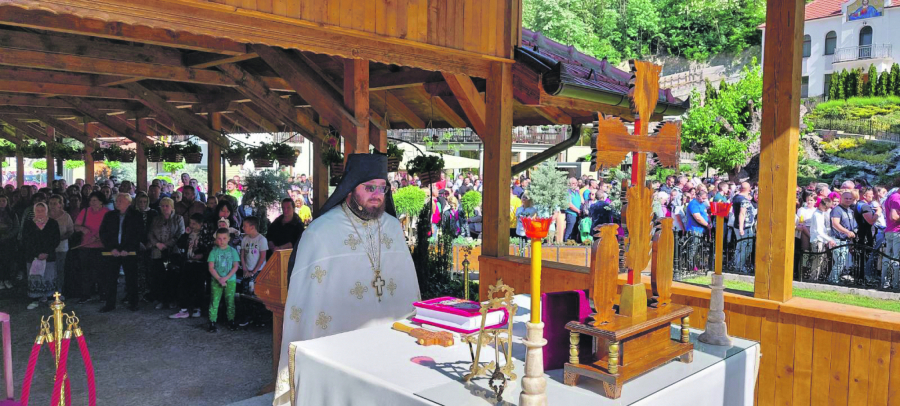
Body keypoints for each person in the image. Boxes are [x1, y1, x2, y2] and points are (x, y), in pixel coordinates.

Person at [274, 154, 420, 406]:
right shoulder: (321, 232)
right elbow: (306, 301)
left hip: (389, 345)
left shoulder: (393, 228)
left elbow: (409, 288)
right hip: (340, 344)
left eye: (382, 188)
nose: (377, 194)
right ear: (351, 188)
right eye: (369, 187)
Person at [98, 193, 145, 312]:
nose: (117, 203)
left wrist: (128, 249)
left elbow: (138, 234)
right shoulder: (109, 215)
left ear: (128, 202)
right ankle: (110, 304)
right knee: (111, 278)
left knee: (131, 278)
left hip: (128, 252)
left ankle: (133, 303)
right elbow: (103, 233)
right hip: (112, 251)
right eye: (116, 201)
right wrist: (111, 248)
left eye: (120, 201)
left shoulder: (136, 215)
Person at [148, 197, 184, 310]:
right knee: (159, 277)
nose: (164, 208)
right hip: (158, 252)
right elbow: (150, 234)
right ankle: (161, 299)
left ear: (172, 207)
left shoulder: (179, 218)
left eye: (167, 205)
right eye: (162, 206)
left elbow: (180, 234)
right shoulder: (156, 219)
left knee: (172, 277)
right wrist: (157, 244)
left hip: (173, 252)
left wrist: (167, 244)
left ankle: (172, 300)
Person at [169, 214, 208, 320]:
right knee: (184, 285)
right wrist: (186, 234)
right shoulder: (188, 234)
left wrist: (202, 255)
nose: (191, 225)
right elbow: (180, 244)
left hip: (199, 265)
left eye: (194, 223)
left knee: (198, 286)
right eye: (190, 223)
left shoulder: (205, 235)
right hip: (188, 263)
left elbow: (208, 248)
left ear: (200, 225)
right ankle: (183, 309)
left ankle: (197, 307)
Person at [74, 192, 110, 304]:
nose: (92, 203)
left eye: (94, 200)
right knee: (86, 272)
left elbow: (111, 229)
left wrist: (101, 236)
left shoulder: (107, 213)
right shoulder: (85, 211)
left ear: (101, 201)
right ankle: (86, 294)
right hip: (86, 246)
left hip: (101, 247)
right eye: (91, 200)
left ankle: (103, 293)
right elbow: (76, 226)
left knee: (102, 271)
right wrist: (83, 229)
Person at [24, 202, 61, 309]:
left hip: (49, 256)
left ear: (46, 211)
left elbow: (56, 239)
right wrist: (36, 254)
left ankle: (49, 298)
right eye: (38, 210)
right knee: (34, 277)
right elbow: (26, 240)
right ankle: (35, 299)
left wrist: (46, 253)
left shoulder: (53, 223)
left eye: (42, 210)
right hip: (32, 256)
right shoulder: (28, 223)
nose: (40, 213)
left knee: (48, 277)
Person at [207, 228, 240, 332]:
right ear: (216, 239)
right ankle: (212, 322)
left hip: (230, 281)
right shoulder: (213, 252)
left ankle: (231, 320)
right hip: (216, 280)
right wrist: (219, 278)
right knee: (214, 301)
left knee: (230, 301)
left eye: (224, 238)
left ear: (229, 239)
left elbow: (235, 266)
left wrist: (225, 278)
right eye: (219, 239)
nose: (221, 241)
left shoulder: (233, 251)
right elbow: (211, 267)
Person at [829, 191, 858, 284]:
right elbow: (835, 224)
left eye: (850, 198)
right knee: (840, 261)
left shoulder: (850, 210)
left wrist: (851, 238)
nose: (848, 200)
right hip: (837, 239)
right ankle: (833, 280)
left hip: (846, 240)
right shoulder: (837, 210)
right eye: (846, 198)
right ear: (841, 198)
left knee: (842, 262)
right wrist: (847, 232)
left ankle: (833, 279)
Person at [48, 195, 73, 297]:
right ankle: (48, 291)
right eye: (50, 203)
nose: (52, 205)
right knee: (48, 270)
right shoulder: (45, 215)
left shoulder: (66, 216)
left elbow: (70, 231)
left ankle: (58, 292)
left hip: (61, 247)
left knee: (59, 270)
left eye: (55, 203)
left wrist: (59, 239)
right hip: (47, 247)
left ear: (60, 204)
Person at [241, 216, 268, 293]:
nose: (243, 228)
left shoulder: (262, 239)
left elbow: (262, 257)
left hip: (258, 270)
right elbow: (242, 255)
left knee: (256, 292)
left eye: (245, 226)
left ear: (252, 227)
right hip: (247, 270)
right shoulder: (245, 239)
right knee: (245, 290)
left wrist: (254, 272)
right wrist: (244, 269)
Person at [0, 194, 18, 289]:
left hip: (9, 241)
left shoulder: (12, 213)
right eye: (0, 201)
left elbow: (16, 227)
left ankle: (7, 279)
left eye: (4, 201)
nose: (2, 203)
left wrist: (7, 236)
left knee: (7, 260)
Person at [564, 177, 583, 242]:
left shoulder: (577, 192)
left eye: (576, 183)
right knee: (570, 231)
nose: (575, 184)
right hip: (571, 214)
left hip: (577, 214)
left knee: (575, 231)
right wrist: (578, 211)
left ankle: (573, 245)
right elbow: (569, 204)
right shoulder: (567, 192)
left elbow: (581, 201)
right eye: (573, 183)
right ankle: (566, 245)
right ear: (569, 184)